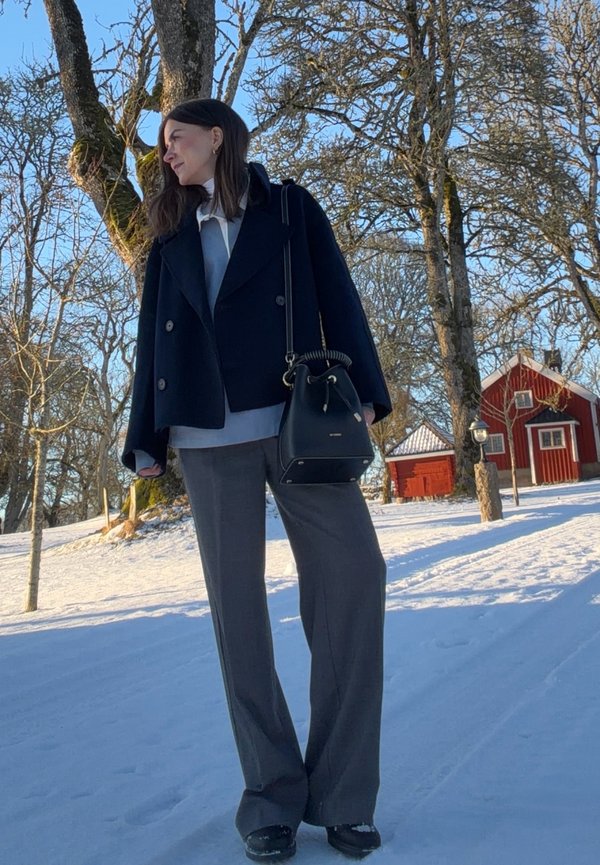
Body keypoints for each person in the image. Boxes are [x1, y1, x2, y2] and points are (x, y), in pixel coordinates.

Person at [122, 98, 392, 862]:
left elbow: (337, 292)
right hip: (207, 434)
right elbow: (153, 339)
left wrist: (365, 388)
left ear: (219, 136)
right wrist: (144, 435)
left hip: (298, 419)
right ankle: (270, 797)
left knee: (354, 577)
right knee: (237, 618)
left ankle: (343, 795)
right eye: (162, 142)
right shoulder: (170, 231)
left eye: (178, 137)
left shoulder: (289, 208)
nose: (166, 151)